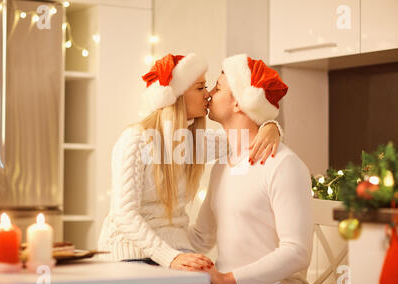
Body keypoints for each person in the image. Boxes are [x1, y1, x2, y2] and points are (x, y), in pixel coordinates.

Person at [97, 53, 284, 270]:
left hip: (176, 252)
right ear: (176, 96)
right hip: (129, 253)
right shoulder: (136, 140)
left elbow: (246, 139)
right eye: (200, 87)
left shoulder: (195, 143)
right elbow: (124, 214)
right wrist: (171, 258)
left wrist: (271, 127)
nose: (208, 95)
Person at [188, 54, 314, 284]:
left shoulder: (284, 164)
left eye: (218, 87)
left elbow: (297, 252)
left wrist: (225, 279)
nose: (209, 94)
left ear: (238, 103)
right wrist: (155, 250)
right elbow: (201, 238)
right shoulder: (222, 166)